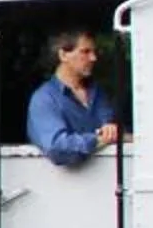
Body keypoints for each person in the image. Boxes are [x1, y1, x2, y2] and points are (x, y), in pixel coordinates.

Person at [26, 27, 121, 167]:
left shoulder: (98, 93)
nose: (93, 58)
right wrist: (97, 139)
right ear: (63, 55)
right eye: (85, 51)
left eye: (94, 52)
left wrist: (112, 133)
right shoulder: (44, 99)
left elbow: (114, 131)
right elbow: (57, 149)